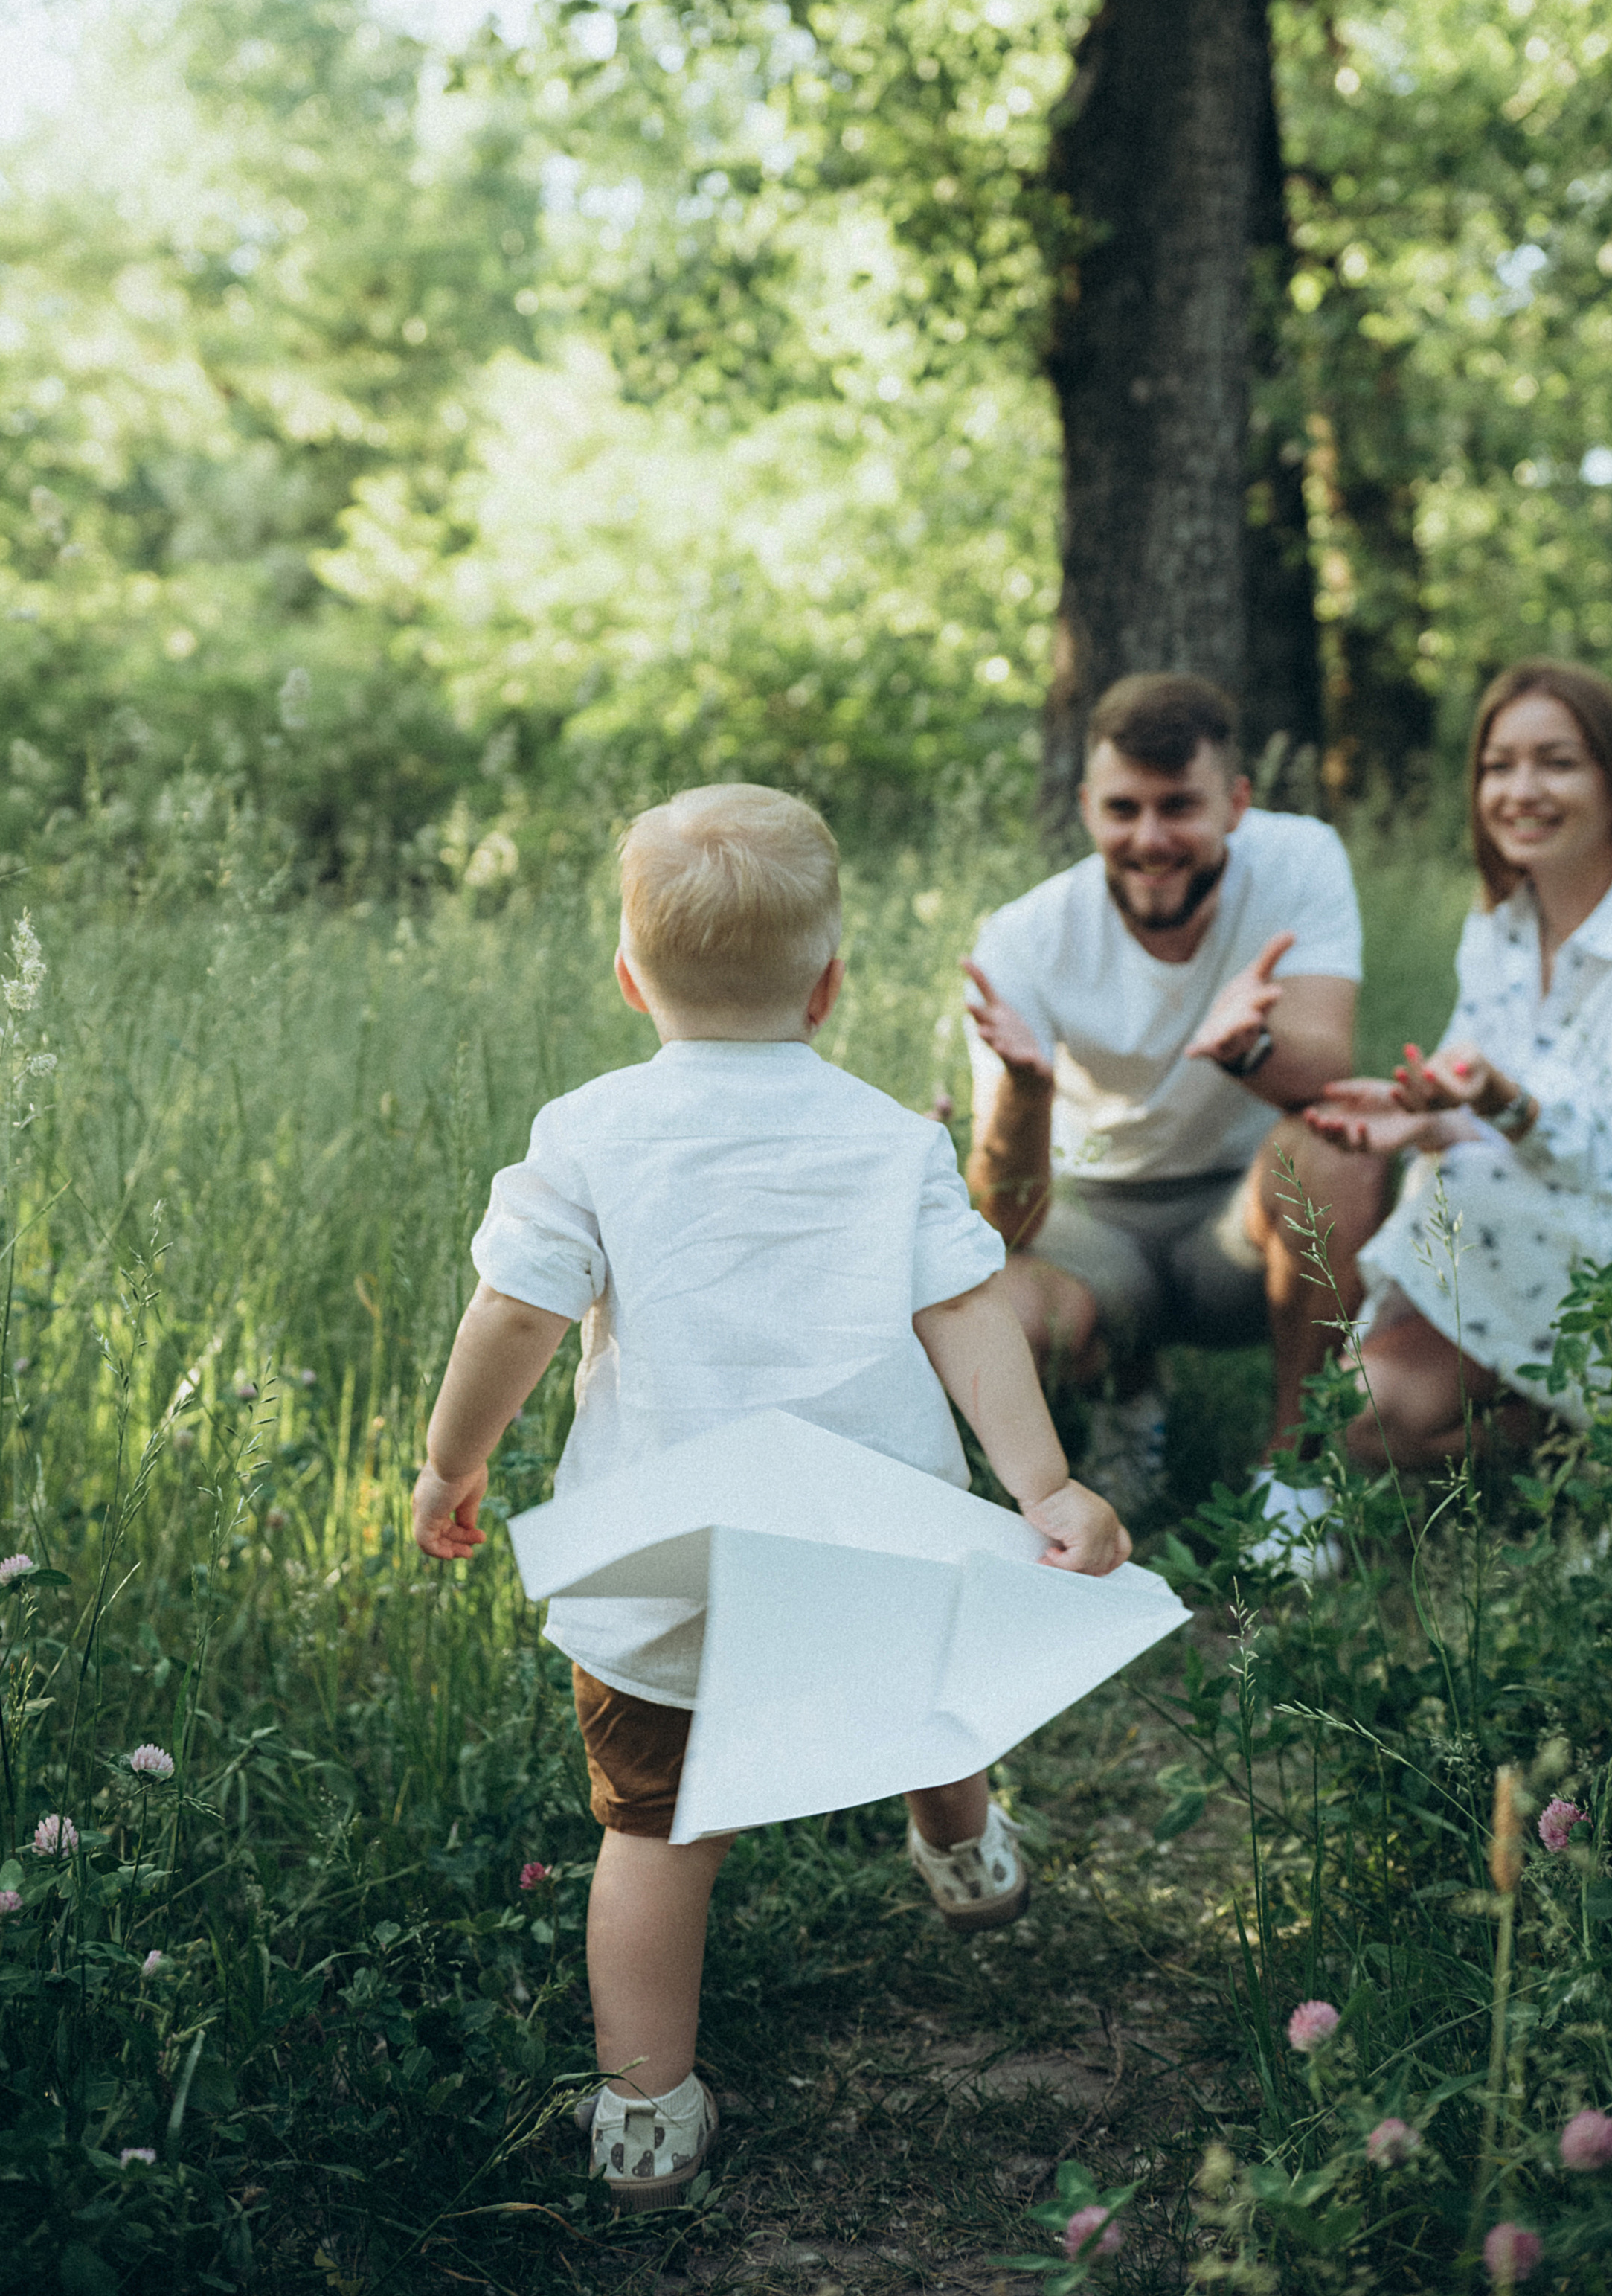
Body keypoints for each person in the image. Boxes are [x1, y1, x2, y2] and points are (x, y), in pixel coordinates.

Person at [411, 783, 1129, 2210]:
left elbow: (513, 1314)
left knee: (658, 1829)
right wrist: (1041, 1484)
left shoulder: (591, 1130)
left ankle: (644, 2110)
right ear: (829, 985)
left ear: (630, 981)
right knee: (924, 1684)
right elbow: (972, 1314)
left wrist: (454, 1459)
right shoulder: (888, 1138)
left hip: (668, 1563)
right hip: (872, 1546)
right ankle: (960, 1847)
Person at [960, 673, 1386, 1553]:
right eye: (1123, 809)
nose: (1149, 839)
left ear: (1235, 802)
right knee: (1003, 1305)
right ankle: (1125, 1408)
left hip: (1235, 1217)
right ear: (1085, 809)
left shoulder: (1300, 858)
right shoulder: (1024, 937)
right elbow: (1002, 1218)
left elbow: (1328, 1067)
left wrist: (1248, 1053)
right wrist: (1029, 1093)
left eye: (1177, 807)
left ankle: (1295, 1478)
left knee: (1341, 1151)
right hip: (1091, 1219)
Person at [1306, 660, 1612, 1468]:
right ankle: (1582, 1448)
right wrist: (1428, 1116)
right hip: (1541, 1246)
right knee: (1366, 1415)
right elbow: (1481, 1106)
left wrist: (1494, 1107)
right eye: (1498, 766)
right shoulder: (1498, 928)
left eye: (1556, 762)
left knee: (1468, 1182)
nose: (1520, 789)